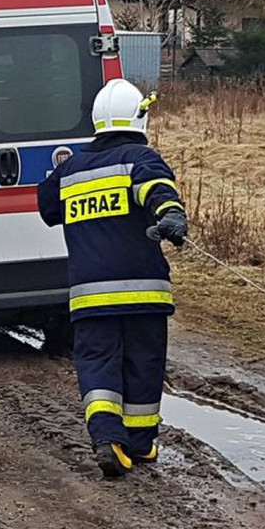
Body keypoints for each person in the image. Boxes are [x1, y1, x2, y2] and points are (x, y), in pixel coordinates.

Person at [37, 79, 187, 478]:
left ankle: (108, 440)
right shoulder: (140, 157)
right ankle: (139, 445)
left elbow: (46, 207)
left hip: (90, 296)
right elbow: (157, 189)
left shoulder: (70, 170)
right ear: (140, 115)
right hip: (143, 291)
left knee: (98, 364)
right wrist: (171, 215)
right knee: (143, 363)